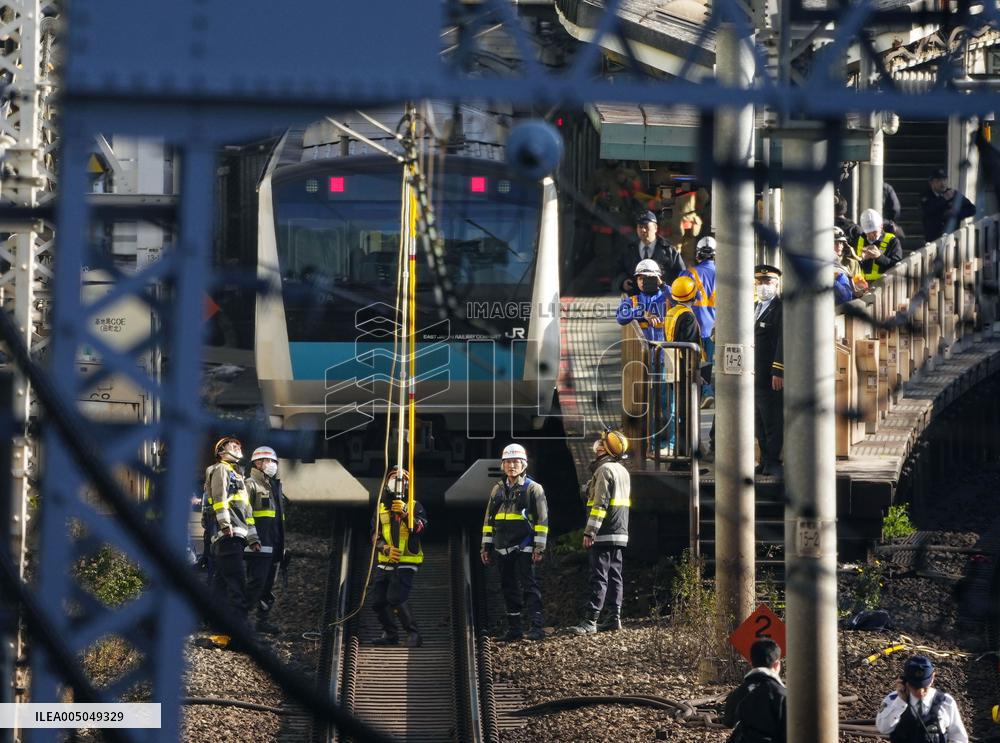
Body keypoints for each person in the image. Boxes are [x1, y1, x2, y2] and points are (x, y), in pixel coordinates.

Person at [480, 443, 549, 642]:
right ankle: (514, 629)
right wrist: (486, 547)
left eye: (516, 462)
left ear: (524, 465)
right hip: (503, 547)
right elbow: (488, 521)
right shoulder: (498, 490)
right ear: (503, 465)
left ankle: (537, 628)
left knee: (529, 586)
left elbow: (542, 520)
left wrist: (539, 547)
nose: (512, 466)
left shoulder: (533, 489)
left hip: (524, 546)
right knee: (508, 586)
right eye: (508, 462)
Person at [570, 429, 631, 635]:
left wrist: (590, 532)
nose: (596, 446)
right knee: (615, 575)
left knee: (598, 576)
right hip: (620, 532)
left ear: (604, 449)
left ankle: (591, 620)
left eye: (601, 444)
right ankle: (615, 617)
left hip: (603, 532)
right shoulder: (622, 470)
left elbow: (600, 505)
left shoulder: (604, 471)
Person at [204, 437, 261, 635]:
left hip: (237, 534)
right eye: (232, 445)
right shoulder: (221, 469)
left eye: (239, 444)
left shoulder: (237, 474)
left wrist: (253, 539)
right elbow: (219, 500)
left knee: (221, 582)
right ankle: (240, 627)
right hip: (228, 534)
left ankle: (214, 623)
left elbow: (247, 511)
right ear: (221, 452)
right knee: (237, 581)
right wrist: (225, 525)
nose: (238, 446)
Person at [617, 259, 669, 456]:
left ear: (657, 279)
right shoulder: (632, 301)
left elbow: (680, 298)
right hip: (642, 363)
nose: (643, 282)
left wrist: (662, 284)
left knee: (665, 403)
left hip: (664, 360)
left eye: (648, 278)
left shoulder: (666, 297)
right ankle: (648, 444)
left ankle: (668, 443)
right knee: (645, 402)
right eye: (640, 278)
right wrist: (642, 314)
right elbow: (621, 316)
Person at [370, 467, 428, 647]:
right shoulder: (381, 506)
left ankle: (414, 635)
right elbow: (374, 534)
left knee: (396, 597)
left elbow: (420, 528)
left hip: (406, 561)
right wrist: (384, 548)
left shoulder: (414, 505)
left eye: (401, 479)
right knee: (378, 601)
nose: (397, 482)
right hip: (386, 561)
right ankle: (390, 634)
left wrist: (405, 515)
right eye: (393, 478)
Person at [243, 446, 289, 635]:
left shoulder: (274, 486)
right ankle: (240, 619)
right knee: (256, 584)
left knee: (268, 587)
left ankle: (263, 621)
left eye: (273, 462)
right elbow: (244, 514)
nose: (272, 465)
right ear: (257, 463)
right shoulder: (250, 484)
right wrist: (252, 538)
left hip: (274, 545)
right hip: (258, 545)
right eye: (268, 461)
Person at [875, 655, 968, 742]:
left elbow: (959, 738)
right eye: (915, 687)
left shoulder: (946, 702)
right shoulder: (892, 700)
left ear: (932, 678)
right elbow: (883, 728)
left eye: (924, 687)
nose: (920, 692)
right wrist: (901, 702)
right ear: (904, 681)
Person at [722, 638, 787, 743]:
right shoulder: (782, 695)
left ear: (751, 663)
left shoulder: (738, 693)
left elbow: (728, 722)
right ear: (777, 665)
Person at [754, 265, 784, 476]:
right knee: (758, 420)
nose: (764, 286)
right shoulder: (754, 307)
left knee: (771, 419)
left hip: (769, 372)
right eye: (761, 282)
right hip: (753, 373)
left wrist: (778, 369)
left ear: (776, 284)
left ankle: (773, 460)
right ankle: (763, 459)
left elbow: (783, 339)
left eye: (768, 282)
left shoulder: (780, 308)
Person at [682, 235, 717, 408]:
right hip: (718, 327)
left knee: (698, 362)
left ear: (698, 255)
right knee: (712, 361)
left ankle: (706, 392)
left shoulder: (690, 273)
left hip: (695, 325)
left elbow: (676, 296)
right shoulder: (726, 274)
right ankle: (709, 392)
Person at [615, 211, 685, 295]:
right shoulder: (629, 250)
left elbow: (681, 275)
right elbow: (618, 270)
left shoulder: (669, 250)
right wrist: (622, 282)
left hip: (663, 299)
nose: (643, 230)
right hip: (636, 299)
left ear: (655, 228)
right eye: (640, 227)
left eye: (646, 227)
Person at [920, 168, 976, 243]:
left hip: (952, 238)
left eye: (944, 179)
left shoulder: (953, 194)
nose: (942, 183)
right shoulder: (926, 196)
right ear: (931, 183)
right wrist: (943, 199)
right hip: (933, 239)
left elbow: (972, 209)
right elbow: (927, 211)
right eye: (938, 181)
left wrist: (956, 213)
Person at [856, 208, 903, 282]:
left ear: (881, 226)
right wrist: (860, 259)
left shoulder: (892, 241)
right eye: (868, 232)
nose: (871, 235)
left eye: (874, 232)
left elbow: (898, 266)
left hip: (883, 285)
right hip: (861, 286)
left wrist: (879, 257)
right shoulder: (859, 240)